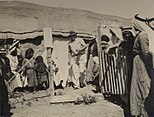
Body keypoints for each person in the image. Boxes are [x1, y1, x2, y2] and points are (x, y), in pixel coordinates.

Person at [130, 15, 153, 117]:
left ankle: (144, 112)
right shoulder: (144, 34)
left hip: (142, 63)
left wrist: (150, 66)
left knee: (143, 86)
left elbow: (146, 53)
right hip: (140, 62)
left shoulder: (142, 35)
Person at [0, 48, 10, 117]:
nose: (3, 54)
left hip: (4, 78)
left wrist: (8, 73)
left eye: (4, 53)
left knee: (5, 96)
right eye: (2, 53)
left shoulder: (7, 59)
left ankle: (5, 113)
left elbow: (8, 68)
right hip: (1, 79)